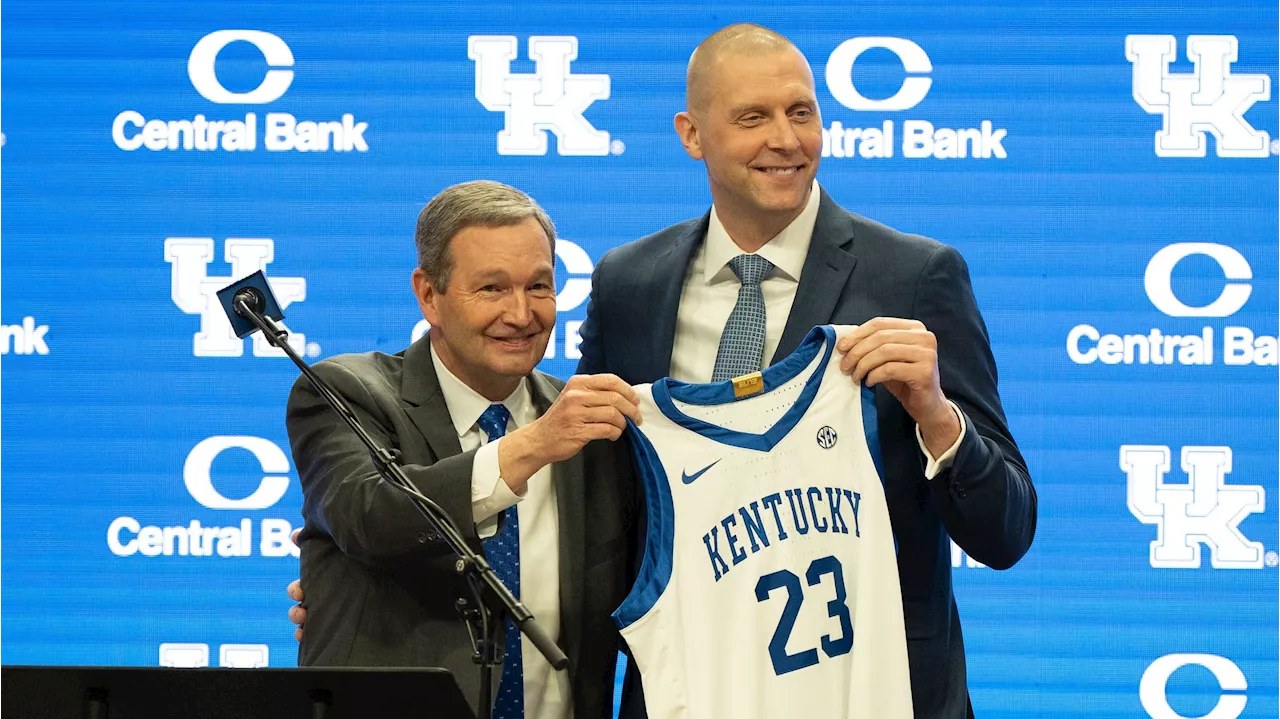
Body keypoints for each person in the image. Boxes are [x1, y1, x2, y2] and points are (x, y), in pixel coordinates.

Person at [575, 24, 1037, 719]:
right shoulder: (627, 285)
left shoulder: (914, 277)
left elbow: (1008, 531)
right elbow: (605, 516)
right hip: (692, 690)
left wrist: (939, 417)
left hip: (874, 692)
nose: (786, 140)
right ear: (692, 134)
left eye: (801, 112)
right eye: (752, 118)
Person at [285, 180, 641, 719]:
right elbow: (368, 517)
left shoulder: (592, 432)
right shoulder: (345, 391)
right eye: (492, 289)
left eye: (540, 287)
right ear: (429, 294)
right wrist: (532, 445)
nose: (522, 315)